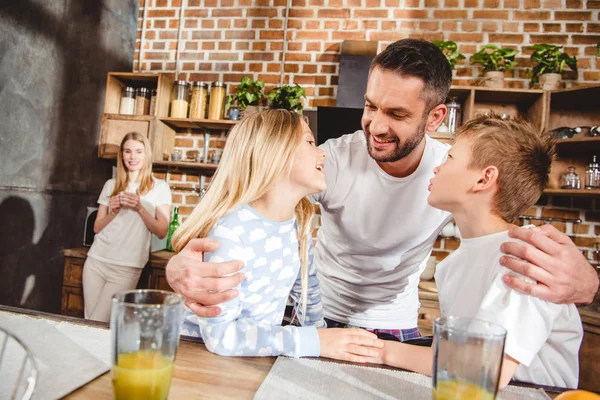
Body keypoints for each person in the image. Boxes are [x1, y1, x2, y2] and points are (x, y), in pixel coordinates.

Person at [164, 39, 599, 329]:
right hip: (315, 312)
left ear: (435, 118)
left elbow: (502, 219)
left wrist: (588, 283)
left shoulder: (451, 173)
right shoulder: (332, 158)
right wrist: (184, 261)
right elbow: (251, 194)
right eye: (371, 106)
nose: (375, 125)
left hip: (395, 321)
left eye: (397, 114)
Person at [370, 114, 582, 388]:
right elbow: (449, 358)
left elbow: (481, 368)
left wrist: (380, 350)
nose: (437, 167)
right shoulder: (453, 264)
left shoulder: (527, 257)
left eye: (450, 158)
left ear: (484, 179)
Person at [172, 109, 383, 360]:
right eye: (309, 142)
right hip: (198, 360)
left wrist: (325, 344)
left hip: (247, 359)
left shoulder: (297, 227)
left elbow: (309, 294)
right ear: (275, 154)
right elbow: (221, 336)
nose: (322, 152)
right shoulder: (231, 232)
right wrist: (314, 341)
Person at [82, 132, 172, 322]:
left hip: (127, 267)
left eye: (139, 152)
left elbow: (162, 231)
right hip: (96, 261)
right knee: (89, 321)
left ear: (146, 155)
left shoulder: (159, 187)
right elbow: (97, 228)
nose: (133, 157)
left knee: (99, 321)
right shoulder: (111, 185)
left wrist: (140, 208)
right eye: (128, 151)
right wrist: (113, 211)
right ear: (121, 155)